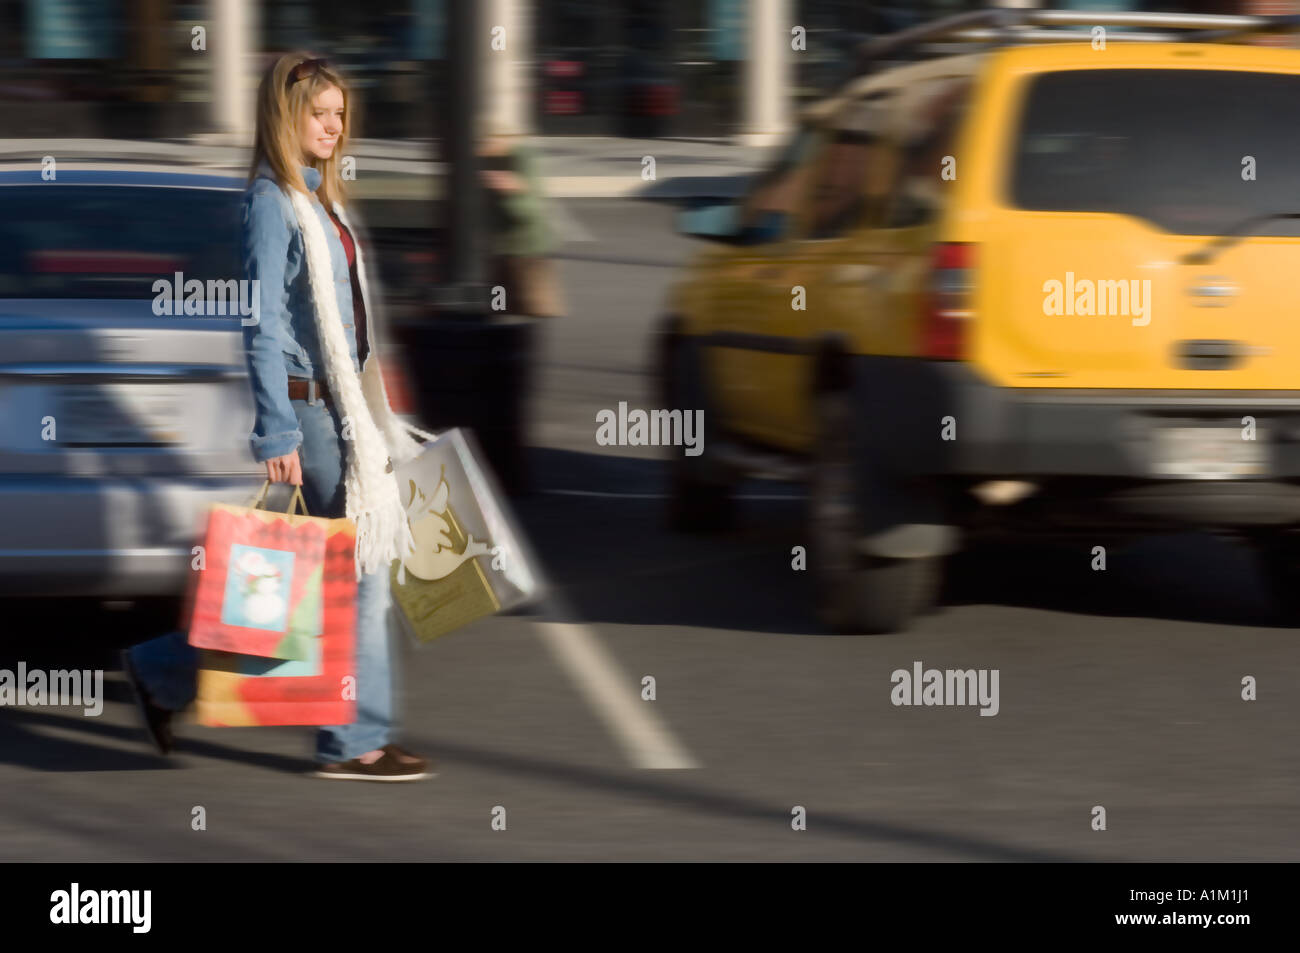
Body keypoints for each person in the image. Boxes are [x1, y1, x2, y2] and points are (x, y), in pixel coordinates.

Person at [122, 51, 433, 782]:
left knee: (308, 582)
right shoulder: (273, 201)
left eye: (338, 115)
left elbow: (346, 320)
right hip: (312, 413)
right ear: (284, 117)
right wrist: (277, 431)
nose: (331, 126)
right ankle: (351, 739)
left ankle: (165, 670)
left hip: (345, 409)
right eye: (316, 114)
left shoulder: (318, 194)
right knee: (351, 574)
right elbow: (260, 324)